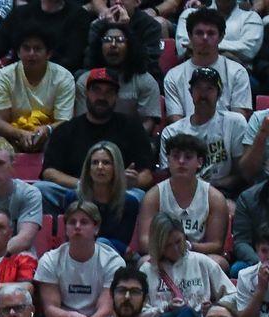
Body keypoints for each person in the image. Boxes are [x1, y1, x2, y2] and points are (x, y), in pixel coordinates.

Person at [37, 67, 156, 214]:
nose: (102, 97)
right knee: (39, 191)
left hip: (117, 195)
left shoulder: (132, 127)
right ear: (87, 93)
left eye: (108, 92)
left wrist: (132, 181)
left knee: (138, 197)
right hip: (75, 192)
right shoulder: (66, 130)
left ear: (116, 97)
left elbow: (147, 175)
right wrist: (88, 186)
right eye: (96, 90)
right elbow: (49, 173)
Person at [34, 200, 125, 317]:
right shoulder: (50, 260)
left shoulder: (112, 261)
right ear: (66, 228)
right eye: (72, 222)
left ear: (96, 228)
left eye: (84, 222)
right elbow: (50, 309)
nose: (77, 226)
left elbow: (105, 310)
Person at [138, 134, 231, 271]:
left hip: (197, 255)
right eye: (175, 156)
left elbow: (216, 245)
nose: (181, 161)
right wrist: (169, 248)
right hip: (163, 254)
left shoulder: (214, 198)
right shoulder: (154, 195)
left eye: (188, 157)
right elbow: (144, 240)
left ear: (199, 162)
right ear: (168, 160)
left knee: (219, 263)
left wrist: (187, 246)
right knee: (144, 262)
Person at [160, 66, 247, 197]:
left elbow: (239, 175)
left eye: (209, 89)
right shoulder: (172, 132)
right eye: (198, 88)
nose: (203, 94)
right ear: (190, 92)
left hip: (223, 191)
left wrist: (210, 187)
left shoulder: (234, 122)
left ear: (219, 93)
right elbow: (171, 177)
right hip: (183, 192)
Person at [0, 28, 76, 153]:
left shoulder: (63, 77)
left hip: (51, 137)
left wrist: (48, 129)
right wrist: (21, 134)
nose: (31, 53)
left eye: (38, 49)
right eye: (26, 48)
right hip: (12, 136)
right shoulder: (4, 76)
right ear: (18, 52)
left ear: (48, 54)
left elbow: (65, 122)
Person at [163, 7, 253, 124]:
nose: (205, 38)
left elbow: (238, 121)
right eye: (199, 33)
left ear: (221, 37)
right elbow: (175, 121)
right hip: (187, 140)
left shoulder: (238, 72)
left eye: (211, 33)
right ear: (190, 36)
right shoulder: (173, 76)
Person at [80, 22, 163, 132]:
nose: (113, 45)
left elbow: (147, 124)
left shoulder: (146, 81)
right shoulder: (84, 81)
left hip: (131, 141)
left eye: (119, 40)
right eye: (107, 40)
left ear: (130, 47)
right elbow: (81, 121)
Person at [0, 0, 92, 73]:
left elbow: (72, 60)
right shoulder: (21, 13)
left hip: (57, 79)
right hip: (17, 78)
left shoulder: (79, 16)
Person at [71, 141, 143, 255]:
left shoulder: (129, 203)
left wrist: (99, 241)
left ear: (116, 168)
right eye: (95, 162)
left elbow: (122, 243)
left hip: (114, 258)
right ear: (88, 169)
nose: (100, 167)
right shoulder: (73, 198)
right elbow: (73, 237)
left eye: (106, 163)